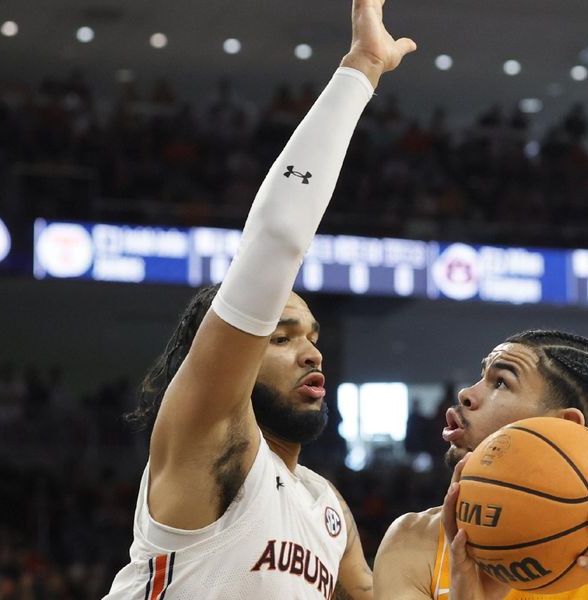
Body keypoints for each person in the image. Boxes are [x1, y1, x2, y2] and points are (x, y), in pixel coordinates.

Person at [104, 2, 416, 598]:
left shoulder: (324, 504)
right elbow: (276, 241)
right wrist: (361, 70)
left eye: (312, 338)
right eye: (280, 337)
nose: (310, 354)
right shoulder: (209, 435)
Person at [373, 330, 588, 600]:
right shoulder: (411, 541)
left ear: (565, 426)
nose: (465, 393)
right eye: (481, 377)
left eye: (501, 382)